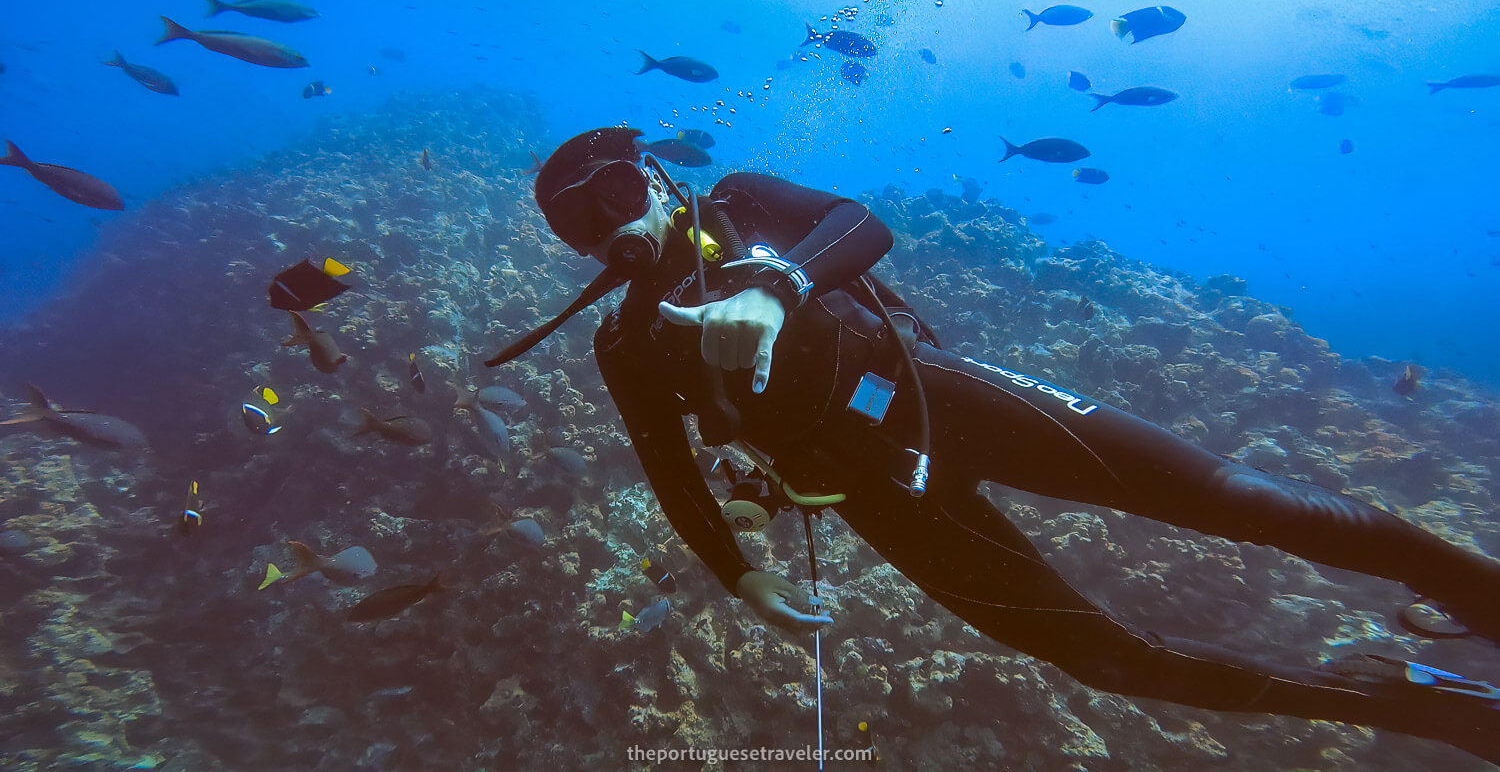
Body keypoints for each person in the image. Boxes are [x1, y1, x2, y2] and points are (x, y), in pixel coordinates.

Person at [488, 127, 1500, 763]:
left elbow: (860, 224)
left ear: (660, 179)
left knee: (1245, 502)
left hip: (948, 402)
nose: (607, 227)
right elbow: (673, 474)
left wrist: (780, 283)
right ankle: (1429, 709)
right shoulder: (626, 343)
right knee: (1106, 659)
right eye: (579, 225)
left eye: (617, 193)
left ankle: (1479, 589)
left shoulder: (746, 202)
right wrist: (739, 574)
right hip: (880, 497)